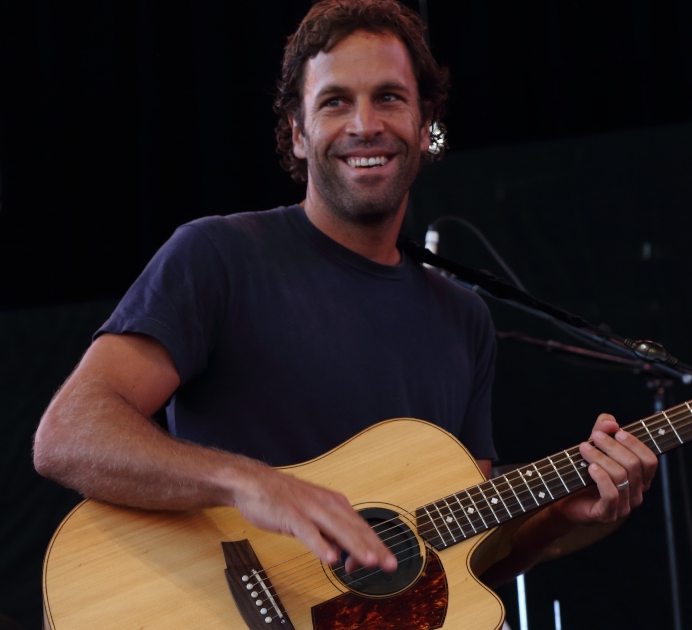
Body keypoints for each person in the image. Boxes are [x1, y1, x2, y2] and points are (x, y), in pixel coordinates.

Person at [33, 0, 656, 588]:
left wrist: (557, 520)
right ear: (297, 133)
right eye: (335, 102)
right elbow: (68, 434)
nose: (365, 125)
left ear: (425, 126)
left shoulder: (464, 318)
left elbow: (456, 575)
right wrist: (248, 483)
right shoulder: (217, 255)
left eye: (389, 98)